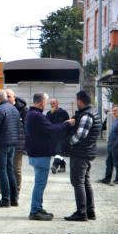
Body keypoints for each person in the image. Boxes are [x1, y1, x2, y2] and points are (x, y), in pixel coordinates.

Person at [24, 92, 75, 221]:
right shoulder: (37, 116)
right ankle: (35, 210)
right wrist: (68, 124)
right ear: (42, 102)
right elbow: (52, 130)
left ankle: (38, 207)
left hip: (35, 152)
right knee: (40, 184)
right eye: (46, 102)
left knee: (39, 183)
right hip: (40, 153)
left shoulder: (31, 114)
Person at [62, 90, 101, 221]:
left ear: (79, 101)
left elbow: (80, 135)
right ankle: (90, 211)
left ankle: (81, 212)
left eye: (76, 100)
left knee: (78, 182)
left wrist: (67, 143)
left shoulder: (86, 115)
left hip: (81, 153)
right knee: (85, 182)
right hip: (87, 153)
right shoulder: (93, 113)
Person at [0, 89, 20, 208]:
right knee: (10, 170)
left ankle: (5, 199)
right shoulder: (14, 109)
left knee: (2, 172)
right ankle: (14, 198)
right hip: (11, 144)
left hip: (0, 145)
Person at [99, 105, 118, 186]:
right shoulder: (116, 120)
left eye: (115, 110)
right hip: (111, 144)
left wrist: (115, 145)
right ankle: (107, 179)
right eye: (113, 110)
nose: (113, 112)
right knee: (109, 162)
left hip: (117, 146)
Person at [7, 89, 27, 197]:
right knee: (6, 169)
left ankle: (16, 192)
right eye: (5, 96)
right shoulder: (4, 109)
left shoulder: (23, 110)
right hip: (6, 144)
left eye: (9, 96)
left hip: (18, 144)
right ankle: (8, 191)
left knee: (16, 169)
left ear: (14, 97)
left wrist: (26, 144)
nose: (7, 98)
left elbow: (27, 127)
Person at [46, 98, 70, 174]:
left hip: (62, 136)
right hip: (53, 137)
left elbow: (68, 123)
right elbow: (47, 123)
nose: (53, 105)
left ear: (57, 103)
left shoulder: (63, 113)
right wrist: (51, 114)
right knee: (57, 152)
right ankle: (63, 165)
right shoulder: (49, 113)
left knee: (58, 151)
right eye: (51, 104)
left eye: (54, 103)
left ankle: (55, 165)